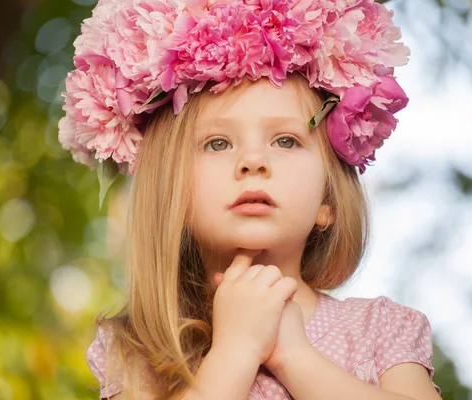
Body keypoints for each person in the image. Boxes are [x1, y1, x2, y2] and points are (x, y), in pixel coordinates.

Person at [59, 0, 442, 399]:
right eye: (218, 143)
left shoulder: (380, 329)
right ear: (170, 192)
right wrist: (235, 351)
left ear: (328, 200)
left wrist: (294, 358)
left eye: (286, 140)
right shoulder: (139, 347)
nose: (253, 162)